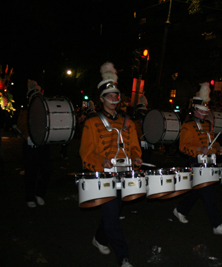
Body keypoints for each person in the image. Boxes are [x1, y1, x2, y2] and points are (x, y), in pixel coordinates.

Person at [79, 62, 142, 267]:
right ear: (102, 98)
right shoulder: (91, 123)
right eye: (110, 96)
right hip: (104, 177)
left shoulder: (127, 122)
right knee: (113, 217)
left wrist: (136, 158)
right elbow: (86, 154)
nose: (114, 99)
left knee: (113, 213)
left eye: (117, 95)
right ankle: (123, 257)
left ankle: (99, 238)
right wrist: (101, 162)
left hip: (124, 175)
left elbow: (134, 147)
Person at [173, 89, 222, 235]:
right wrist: (199, 148)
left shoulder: (208, 126)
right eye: (202, 111)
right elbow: (183, 147)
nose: (205, 113)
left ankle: (180, 209)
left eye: (206, 111)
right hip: (195, 161)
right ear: (195, 110)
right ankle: (216, 224)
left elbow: (212, 144)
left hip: (208, 161)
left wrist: (219, 148)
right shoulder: (188, 126)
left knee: (198, 190)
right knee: (208, 192)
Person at [15, 80, 52, 208]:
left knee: (46, 171)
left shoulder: (46, 112)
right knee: (31, 173)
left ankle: (39, 194)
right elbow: (21, 126)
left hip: (43, 145)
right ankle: (29, 197)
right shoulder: (25, 111)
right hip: (30, 146)